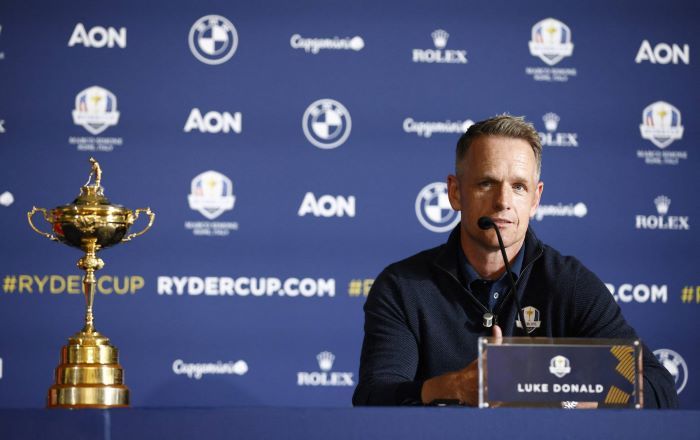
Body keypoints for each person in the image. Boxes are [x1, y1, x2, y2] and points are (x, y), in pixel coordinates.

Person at [352, 114, 678, 408]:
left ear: (536, 199)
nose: (503, 201)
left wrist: (575, 398)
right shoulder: (403, 287)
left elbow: (658, 387)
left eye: (519, 187)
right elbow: (373, 397)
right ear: (455, 192)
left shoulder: (569, 283)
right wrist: (453, 388)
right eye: (486, 183)